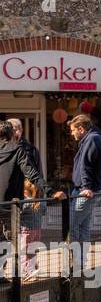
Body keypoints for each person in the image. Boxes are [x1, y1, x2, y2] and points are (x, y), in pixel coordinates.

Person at [64, 114, 101, 273]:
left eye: (73, 130)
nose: (72, 133)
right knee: (84, 227)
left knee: (72, 224)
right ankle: (81, 262)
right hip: (88, 189)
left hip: (85, 191)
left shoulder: (91, 139)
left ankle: (75, 262)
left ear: (81, 129)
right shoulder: (93, 138)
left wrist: (86, 187)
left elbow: (86, 166)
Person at [5, 119, 46, 279]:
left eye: (15, 129)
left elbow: (35, 173)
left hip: (27, 195)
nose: (13, 132)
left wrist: (37, 196)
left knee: (29, 234)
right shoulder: (5, 148)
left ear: (20, 130)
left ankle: (28, 267)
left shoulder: (29, 149)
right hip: (9, 197)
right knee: (9, 236)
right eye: (10, 129)